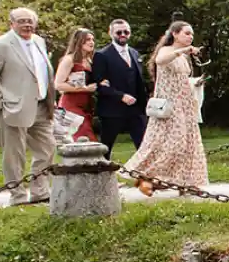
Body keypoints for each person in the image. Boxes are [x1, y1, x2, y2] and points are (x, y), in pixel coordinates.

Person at [125, 21, 209, 198]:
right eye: (187, 33)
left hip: (185, 105)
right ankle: (147, 176)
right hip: (170, 106)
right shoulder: (167, 50)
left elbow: (181, 80)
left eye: (192, 34)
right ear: (175, 34)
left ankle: (187, 183)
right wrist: (182, 51)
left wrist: (196, 83)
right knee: (173, 144)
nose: (190, 37)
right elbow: (160, 60)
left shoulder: (184, 57)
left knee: (189, 144)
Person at [0, 7, 58, 206]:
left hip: (41, 105)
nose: (27, 25)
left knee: (47, 149)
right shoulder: (0, 45)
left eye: (30, 21)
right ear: (12, 24)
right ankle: (17, 196)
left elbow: (41, 73)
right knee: (14, 155)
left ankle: (40, 192)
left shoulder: (39, 41)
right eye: (22, 21)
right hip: (12, 108)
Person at [90, 19, 148, 157]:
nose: (123, 35)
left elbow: (140, 81)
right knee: (106, 149)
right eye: (119, 32)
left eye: (126, 32)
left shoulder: (135, 53)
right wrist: (120, 96)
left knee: (144, 147)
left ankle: (144, 171)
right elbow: (99, 86)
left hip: (136, 110)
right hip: (112, 110)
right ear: (110, 33)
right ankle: (103, 170)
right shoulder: (101, 55)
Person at [53, 27, 99, 144]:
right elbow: (58, 85)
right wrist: (85, 89)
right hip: (71, 105)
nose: (91, 42)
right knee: (84, 139)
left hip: (87, 105)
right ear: (78, 41)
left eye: (92, 39)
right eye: (87, 39)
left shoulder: (90, 60)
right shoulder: (69, 60)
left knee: (86, 140)